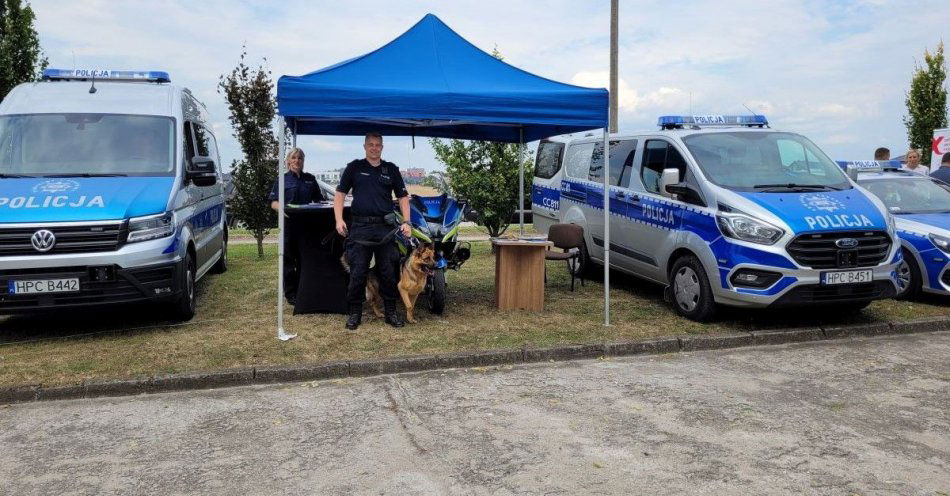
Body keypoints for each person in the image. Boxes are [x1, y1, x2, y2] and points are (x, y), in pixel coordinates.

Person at [334, 132, 411, 330]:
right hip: (360, 228)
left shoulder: (390, 169)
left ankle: (391, 312)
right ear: (365, 146)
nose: (374, 148)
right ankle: (354, 314)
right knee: (358, 272)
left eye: (378, 145)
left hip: (385, 228)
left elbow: (403, 197)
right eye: (371, 144)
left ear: (382, 147)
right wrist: (339, 219)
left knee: (387, 272)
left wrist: (407, 222)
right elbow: (340, 193)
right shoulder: (355, 167)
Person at [267, 147, 324, 305]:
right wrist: (281, 209)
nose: (296, 161)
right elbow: (273, 202)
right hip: (288, 227)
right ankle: (291, 293)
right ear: (288, 160)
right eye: (293, 158)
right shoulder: (282, 180)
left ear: (303, 161)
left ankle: (304, 290)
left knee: (305, 260)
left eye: (299, 158)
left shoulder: (310, 179)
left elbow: (319, 201)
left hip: (307, 227)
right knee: (289, 261)